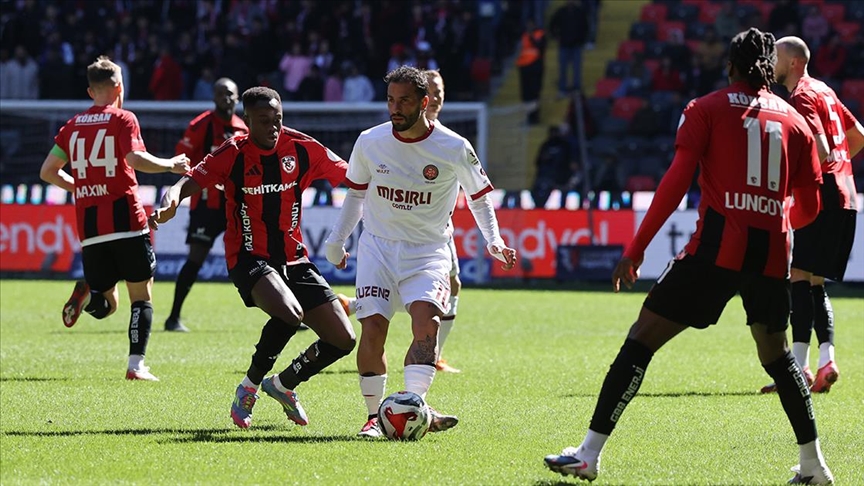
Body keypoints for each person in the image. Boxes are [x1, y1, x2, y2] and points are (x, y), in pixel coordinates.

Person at [543, 29, 834, 484]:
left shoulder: (706, 109)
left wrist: (635, 250)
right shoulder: (796, 122)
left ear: (730, 66)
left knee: (641, 340)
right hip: (772, 257)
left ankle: (588, 454)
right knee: (778, 358)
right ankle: (814, 466)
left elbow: (676, 183)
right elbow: (811, 208)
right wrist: (769, 219)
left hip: (715, 252)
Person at [324, 66, 517, 438]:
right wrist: (336, 241)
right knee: (374, 330)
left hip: (428, 251)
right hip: (378, 248)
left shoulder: (454, 146)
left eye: (404, 101)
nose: (395, 109)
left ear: (424, 103)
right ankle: (372, 418)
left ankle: (410, 409)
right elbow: (355, 195)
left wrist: (493, 239)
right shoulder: (370, 141)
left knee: (426, 326)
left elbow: (479, 197)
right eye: (391, 101)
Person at [149, 86, 356, 429]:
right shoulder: (232, 153)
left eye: (278, 119)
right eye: (264, 121)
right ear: (247, 121)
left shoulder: (303, 149)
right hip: (249, 258)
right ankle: (249, 387)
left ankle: (285, 383)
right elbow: (190, 181)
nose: (273, 127)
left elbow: (352, 178)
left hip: (294, 258)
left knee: (343, 339)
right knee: (291, 314)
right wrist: (172, 198)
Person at [39, 56, 190, 381]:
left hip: (90, 226)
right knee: (141, 294)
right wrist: (169, 165)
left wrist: (80, 186)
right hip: (125, 218)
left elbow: (47, 172)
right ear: (119, 87)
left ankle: (91, 291)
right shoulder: (123, 118)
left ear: (91, 91)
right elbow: (134, 158)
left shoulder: (72, 126)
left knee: (108, 305)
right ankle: (136, 365)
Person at [338, 69, 466, 374]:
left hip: (435, 233)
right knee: (433, 288)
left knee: (450, 287)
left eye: (440, 92)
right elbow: (357, 193)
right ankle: (432, 356)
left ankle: (433, 354)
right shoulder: (387, 137)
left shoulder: (447, 141)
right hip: (403, 236)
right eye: (431, 91)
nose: (436, 97)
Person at [759, 36, 864, 395]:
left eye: (775, 57)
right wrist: (840, 168)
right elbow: (858, 136)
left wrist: (796, 181)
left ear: (792, 63)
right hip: (846, 196)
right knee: (813, 281)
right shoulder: (825, 90)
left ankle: (797, 371)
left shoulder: (801, 96)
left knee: (797, 276)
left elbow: (817, 150)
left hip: (821, 199)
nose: (771, 63)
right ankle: (824, 361)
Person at [164, 78, 248, 332]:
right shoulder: (200, 125)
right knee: (196, 259)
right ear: (213, 97)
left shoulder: (243, 129)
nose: (227, 98)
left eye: (231, 94)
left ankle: (287, 313)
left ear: (237, 98)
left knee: (257, 257)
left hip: (234, 206)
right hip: (205, 207)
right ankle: (173, 317)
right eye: (222, 94)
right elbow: (183, 159)